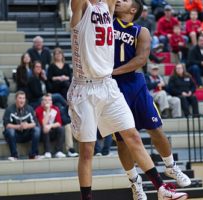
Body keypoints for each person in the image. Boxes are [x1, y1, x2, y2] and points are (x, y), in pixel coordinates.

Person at [69, 0, 188, 200]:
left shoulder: (108, 8)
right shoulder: (81, 8)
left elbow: (142, 58)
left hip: (109, 85)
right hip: (85, 87)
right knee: (87, 150)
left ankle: (162, 189)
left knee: (133, 137)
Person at [114, 1, 190, 199]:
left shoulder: (141, 31)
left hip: (134, 84)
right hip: (112, 89)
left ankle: (171, 166)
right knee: (122, 142)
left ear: (133, 10)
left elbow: (141, 60)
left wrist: (112, 71)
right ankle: (134, 182)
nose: (118, 1)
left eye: (125, 0)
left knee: (155, 128)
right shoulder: (106, 23)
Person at [3, 91, 41, 160]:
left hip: (26, 134)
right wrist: (19, 126)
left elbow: (35, 123)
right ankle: (14, 155)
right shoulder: (9, 109)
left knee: (37, 130)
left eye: (23, 98)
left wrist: (27, 125)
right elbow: (7, 125)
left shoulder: (30, 108)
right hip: (15, 135)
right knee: (10, 131)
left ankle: (33, 154)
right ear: (16, 99)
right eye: (20, 98)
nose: (22, 100)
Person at [35, 93, 66, 159]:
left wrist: (50, 126)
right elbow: (43, 124)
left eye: (49, 100)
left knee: (61, 128)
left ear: (52, 102)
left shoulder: (56, 109)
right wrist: (48, 110)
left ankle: (58, 151)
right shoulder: (38, 110)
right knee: (45, 128)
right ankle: (47, 151)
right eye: (45, 100)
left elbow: (59, 123)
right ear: (42, 102)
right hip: (42, 133)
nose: (47, 102)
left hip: (52, 131)